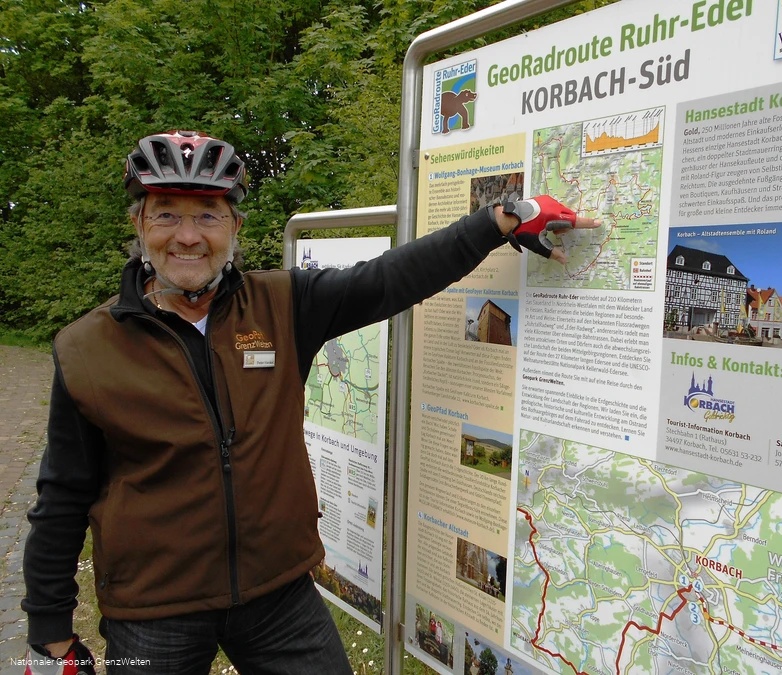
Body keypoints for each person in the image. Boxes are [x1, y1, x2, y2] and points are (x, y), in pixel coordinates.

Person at [21, 130, 600, 674]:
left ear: (235, 225)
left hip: (279, 593)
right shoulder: (87, 347)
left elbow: (387, 280)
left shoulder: (280, 305)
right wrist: (49, 623)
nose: (188, 235)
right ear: (139, 223)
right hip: (154, 609)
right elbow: (64, 492)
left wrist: (497, 223)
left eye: (207, 215)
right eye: (167, 214)